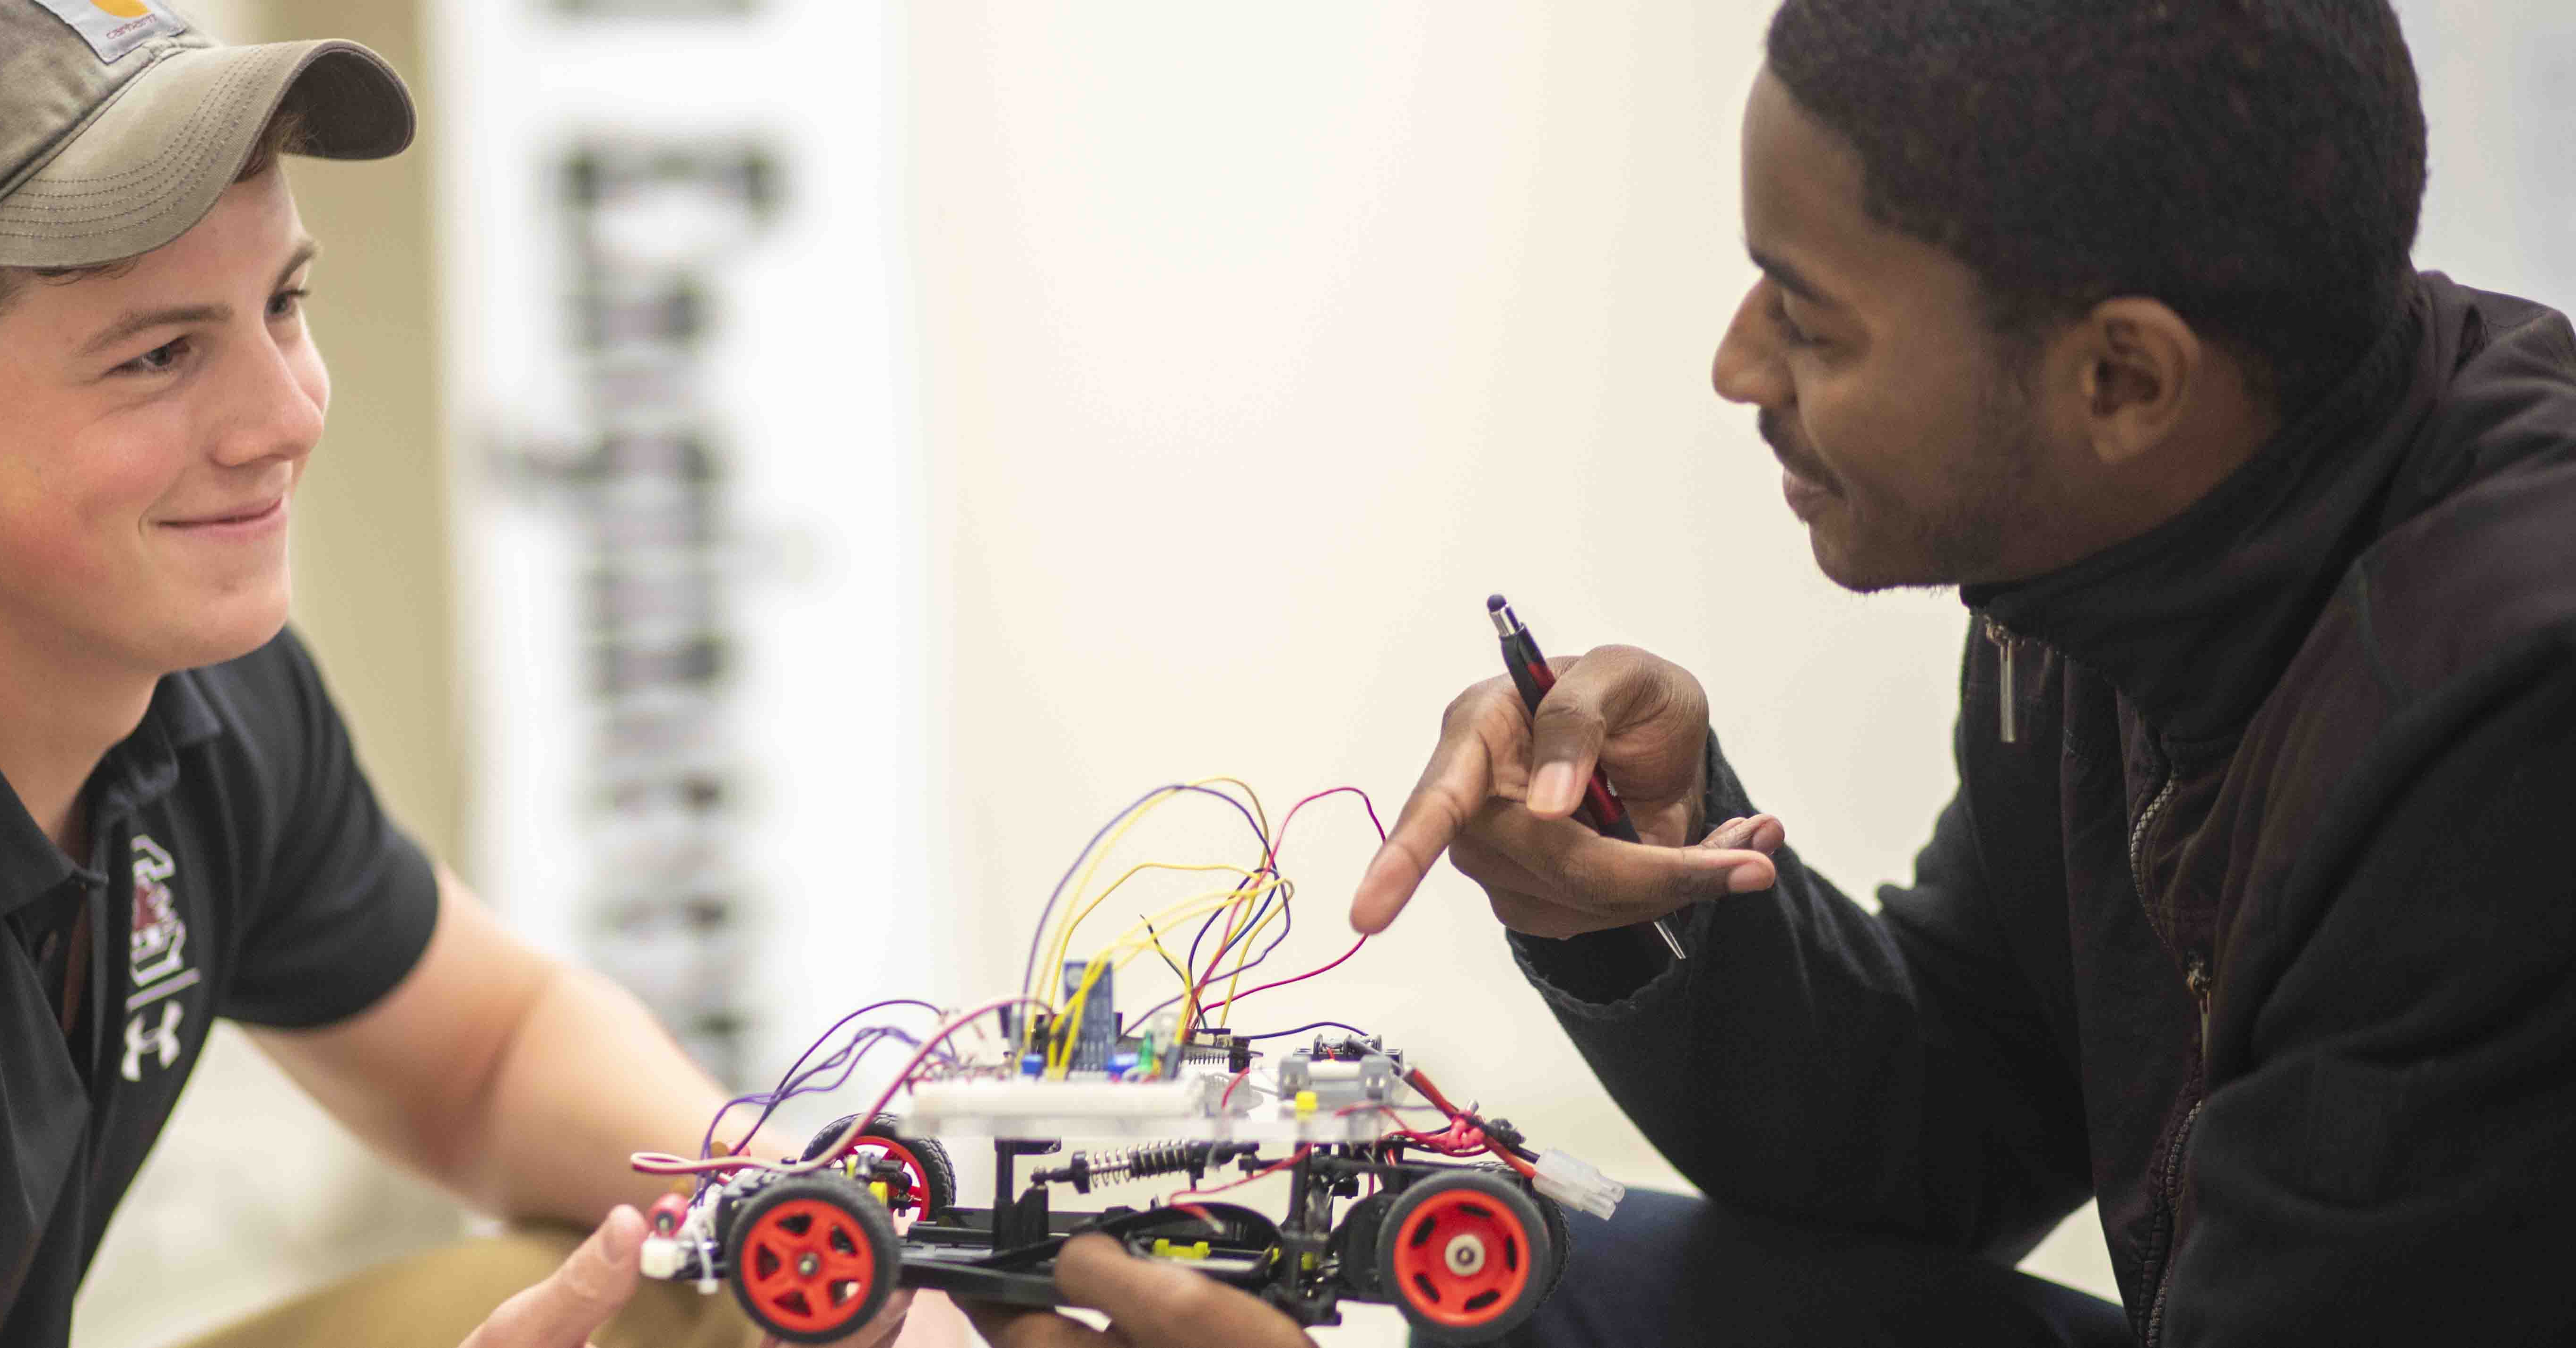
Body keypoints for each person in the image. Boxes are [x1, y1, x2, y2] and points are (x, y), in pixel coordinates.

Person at [983, 1, 2576, 1345]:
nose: (1738, 364)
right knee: (1498, 1285)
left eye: (1809, 322)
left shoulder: (2509, 714)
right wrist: (1636, 892)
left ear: (2120, 375)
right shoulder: (2119, 560)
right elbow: (1960, 1124)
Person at [0, 4, 952, 1346]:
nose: (286, 416)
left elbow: (486, 1060)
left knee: (694, 1295)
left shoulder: (194, 689)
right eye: (159, 354)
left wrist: (846, 1243)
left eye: (283, 304)